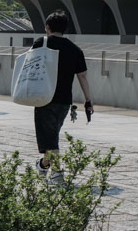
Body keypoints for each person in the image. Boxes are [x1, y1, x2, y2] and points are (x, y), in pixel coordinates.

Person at [36, 10, 94, 175]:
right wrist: (88, 100)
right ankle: (43, 165)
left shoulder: (41, 43)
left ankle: (56, 172)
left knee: (50, 137)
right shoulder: (75, 49)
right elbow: (82, 76)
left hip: (43, 97)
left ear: (47, 27)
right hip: (64, 100)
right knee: (52, 135)